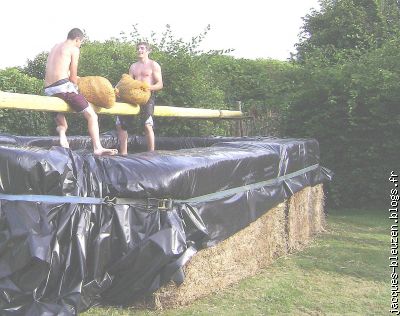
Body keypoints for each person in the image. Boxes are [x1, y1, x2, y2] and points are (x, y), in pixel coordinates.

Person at [44, 28, 118, 156]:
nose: (80, 45)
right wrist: (79, 85)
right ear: (77, 39)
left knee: (61, 121)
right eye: (81, 42)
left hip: (48, 89)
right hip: (63, 87)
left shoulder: (56, 46)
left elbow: (57, 69)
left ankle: (62, 136)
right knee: (92, 115)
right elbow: (73, 77)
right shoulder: (74, 49)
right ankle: (98, 148)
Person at [116, 42, 163, 154]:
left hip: (147, 95)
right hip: (133, 95)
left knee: (147, 124)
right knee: (120, 123)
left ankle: (151, 153)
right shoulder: (133, 66)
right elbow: (128, 82)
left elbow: (160, 84)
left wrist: (148, 87)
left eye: (142, 48)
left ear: (148, 51)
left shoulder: (153, 65)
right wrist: (118, 89)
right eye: (138, 48)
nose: (139, 50)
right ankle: (123, 153)